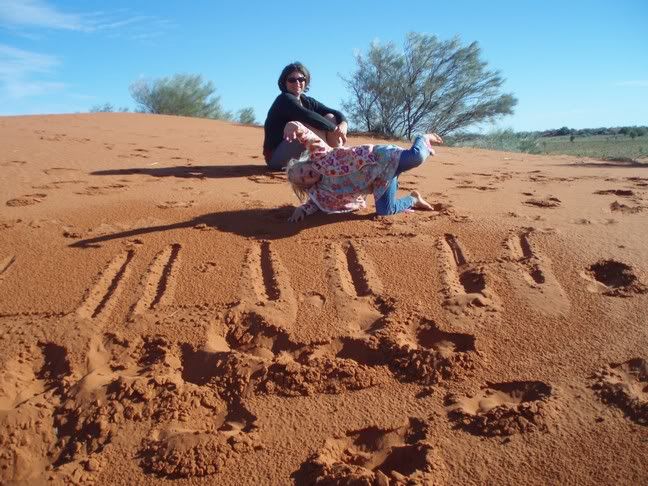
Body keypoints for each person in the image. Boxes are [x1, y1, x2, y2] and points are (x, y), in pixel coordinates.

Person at [284, 121, 443, 222]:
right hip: (380, 181)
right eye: (303, 179)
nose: (305, 175)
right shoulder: (320, 192)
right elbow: (314, 204)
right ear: (307, 186)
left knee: (416, 157)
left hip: (380, 158)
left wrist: (295, 126)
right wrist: (302, 209)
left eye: (303, 169)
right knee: (384, 212)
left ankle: (423, 138)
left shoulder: (320, 156)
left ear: (308, 162)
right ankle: (413, 200)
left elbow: (309, 138)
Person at [263, 62, 348, 170]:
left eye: (301, 79)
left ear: (306, 80)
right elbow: (307, 116)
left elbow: (334, 112)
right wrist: (335, 130)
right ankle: (333, 159)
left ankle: (337, 158)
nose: (297, 82)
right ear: (284, 82)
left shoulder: (307, 101)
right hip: (276, 157)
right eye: (291, 80)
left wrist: (343, 124)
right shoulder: (284, 99)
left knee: (330, 117)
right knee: (306, 126)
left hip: (298, 154)